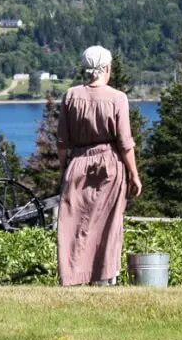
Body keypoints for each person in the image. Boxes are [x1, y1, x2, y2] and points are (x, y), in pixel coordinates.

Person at [56, 46, 142, 286]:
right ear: (107, 68)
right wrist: (134, 174)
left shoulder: (71, 96)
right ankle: (104, 276)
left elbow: (62, 140)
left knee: (73, 223)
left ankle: (72, 276)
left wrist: (65, 169)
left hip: (78, 164)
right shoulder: (117, 98)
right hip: (109, 165)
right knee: (109, 222)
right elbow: (125, 142)